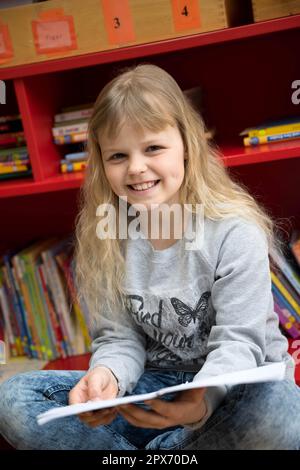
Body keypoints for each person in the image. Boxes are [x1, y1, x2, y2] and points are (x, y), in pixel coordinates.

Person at [0, 63, 300, 451]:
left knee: (281, 416)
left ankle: (164, 450)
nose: (137, 167)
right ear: (101, 164)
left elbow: (240, 344)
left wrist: (201, 404)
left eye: (153, 148)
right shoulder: (104, 236)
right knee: (13, 398)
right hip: (153, 389)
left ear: (187, 146)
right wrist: (107, 376)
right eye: (118, 156)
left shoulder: (232, 229)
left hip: (234, 389)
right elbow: (119, 339)